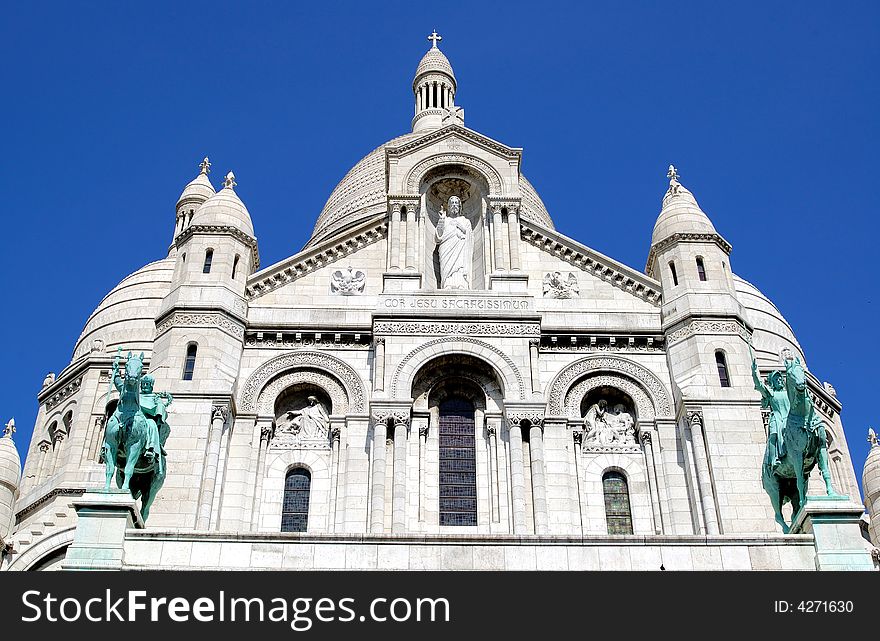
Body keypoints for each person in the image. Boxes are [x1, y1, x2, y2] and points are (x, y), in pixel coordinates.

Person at [751, 353, 788, 468]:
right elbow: (760, 385)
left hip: (788, 418)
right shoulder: (771, 394)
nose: (780, 381)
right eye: (777, 379)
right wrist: (754, 373)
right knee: (773, 435)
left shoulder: (788, 393)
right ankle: (773, 459)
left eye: (780, 379)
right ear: (772, 382)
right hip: (776, 419)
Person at [435, 196, 472, 289]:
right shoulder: (445, 220)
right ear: (449, 206)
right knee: (447, 267)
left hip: (460, 248)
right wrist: (441, 220)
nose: (454, 205)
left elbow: (469, 236)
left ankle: (462, 284)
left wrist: (460, 226)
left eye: (456, 203)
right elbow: (438, 237)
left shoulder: (465, 221)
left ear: (460, 206)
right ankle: (447, 283)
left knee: (460, 265)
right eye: (452, 203)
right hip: (446, 248)